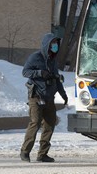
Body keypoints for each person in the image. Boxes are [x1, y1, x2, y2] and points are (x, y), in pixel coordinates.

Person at [20, 33, 68, 163]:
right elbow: (25, 72)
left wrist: (63, 94)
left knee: (49, 125)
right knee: (35, 123)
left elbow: (57, 79)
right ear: (47, 45)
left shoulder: (53, 61)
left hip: (49, 98)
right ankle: (25, 152)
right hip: (36, 96)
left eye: (56, 44)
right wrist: (40, 73)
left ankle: (42, 154)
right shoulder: (36, 57)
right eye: (53, 44)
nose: (55, 46)